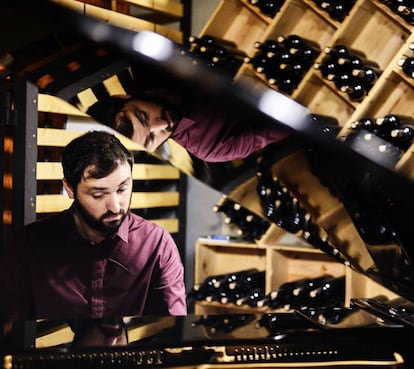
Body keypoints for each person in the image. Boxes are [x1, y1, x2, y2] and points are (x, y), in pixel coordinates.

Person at [0, 131, 187, 321]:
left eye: (122, 189)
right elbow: (11, 332)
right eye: (98, 194)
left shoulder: (156, 245)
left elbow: (171, 329)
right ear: (70, 189)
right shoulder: (28, 246)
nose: (115, 206)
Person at [86, 89, 292, 163]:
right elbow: (289, 124)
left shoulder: (153, 62)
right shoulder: (212, 147)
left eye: (143, 116)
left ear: (122, 97)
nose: (164, 124)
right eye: (151, 139)